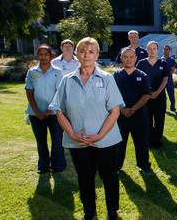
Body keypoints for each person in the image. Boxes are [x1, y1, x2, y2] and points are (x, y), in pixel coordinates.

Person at [49, 37, 124, 220]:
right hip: (78, 142)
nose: (86, 54)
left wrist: (99, 136)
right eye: (83, 50)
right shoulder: (67, 80)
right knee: (85, 178)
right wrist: (72, 134)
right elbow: (59, 111)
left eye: (91, 51)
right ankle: (89, 212)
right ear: (76, 53)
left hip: (105, 141)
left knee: (109, 178)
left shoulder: (107, 79)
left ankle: (112, 212)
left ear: (97, 55)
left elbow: (115, 111)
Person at [25, 44, 66, 174]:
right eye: (41, 54)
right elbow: (29, 91)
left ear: (50, 56)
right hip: (35, 114)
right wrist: (37, 112)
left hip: (54, 113)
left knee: (57, 140)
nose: (43, 57)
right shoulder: (32, 72)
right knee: (40, 141)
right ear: (38, 56)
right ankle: (43, 166)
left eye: (46, 54)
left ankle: (58, 165)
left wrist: (49, 110)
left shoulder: (57, 72)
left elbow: (60, 92)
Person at [113, 47, 153, 173]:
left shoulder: (143, 75)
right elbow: (111, 95)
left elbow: (146, 95)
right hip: (120, 116)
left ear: (136, 58)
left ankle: (144, 166)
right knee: (119, 144)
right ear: (121, 58)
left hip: (139, 116)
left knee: (142, 144)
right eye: (125, 57)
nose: (129, 59)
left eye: (131, 57)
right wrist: (122, 109)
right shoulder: (115, 76)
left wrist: (133, 109)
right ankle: (116, 167)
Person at [136, 41, 170, 148]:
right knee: (147, 120)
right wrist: (146, 93)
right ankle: (149, 141)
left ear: (157, 50)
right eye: (149, 49)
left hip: (159, 97)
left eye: (154, 48)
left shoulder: (163, 63)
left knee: (159, 120)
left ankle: (157, 141)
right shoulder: (141, 63)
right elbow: (138, 80)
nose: (152, 51)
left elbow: (165, 79)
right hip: (145, 98)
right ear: (146, 50)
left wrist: (157, 92)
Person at [162, 45, 177, 112]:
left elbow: (173, 70)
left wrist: (167, 76)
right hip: (161, 80)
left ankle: (172, 107)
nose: (165, 50)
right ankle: (163, 107)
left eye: (167, 49)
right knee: (162, 95)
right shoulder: (160, 59)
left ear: (169, 50)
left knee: (171, 94)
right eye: (164, 49)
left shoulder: (172, 59)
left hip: (169, 79)